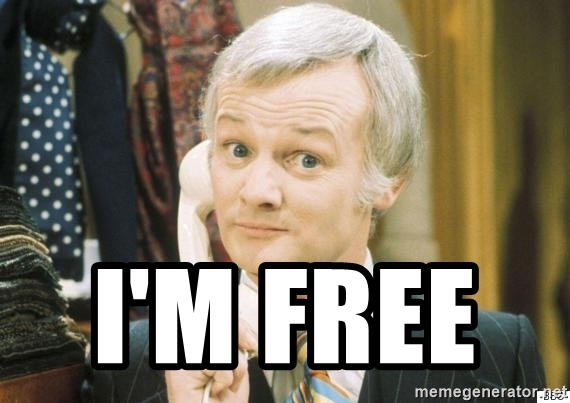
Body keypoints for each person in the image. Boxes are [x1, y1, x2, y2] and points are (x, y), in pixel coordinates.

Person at [84, 3, 546, 402]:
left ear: (389, 181)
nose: (256, 192)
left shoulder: (498, 357)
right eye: (237, 150)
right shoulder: (129, 364)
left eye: (306, 159)